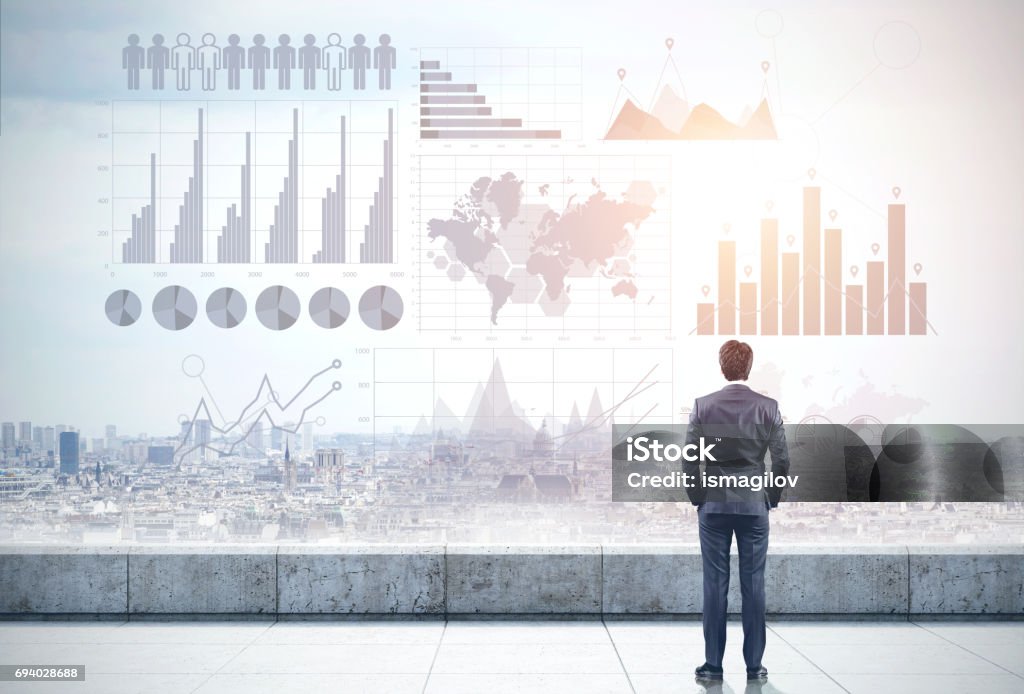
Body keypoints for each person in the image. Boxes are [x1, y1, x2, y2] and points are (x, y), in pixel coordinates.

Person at [684, 340, 789, 685]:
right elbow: (782, 460)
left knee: (715, 585)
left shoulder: (703, 407)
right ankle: (754, 666)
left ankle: (713, 665)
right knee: (753, 585)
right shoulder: (768, 408)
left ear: (722, 366)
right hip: (753, 506)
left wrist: (699, 498)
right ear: (749, 367)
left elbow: (689, 458)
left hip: (713, 507)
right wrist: (769, 499)